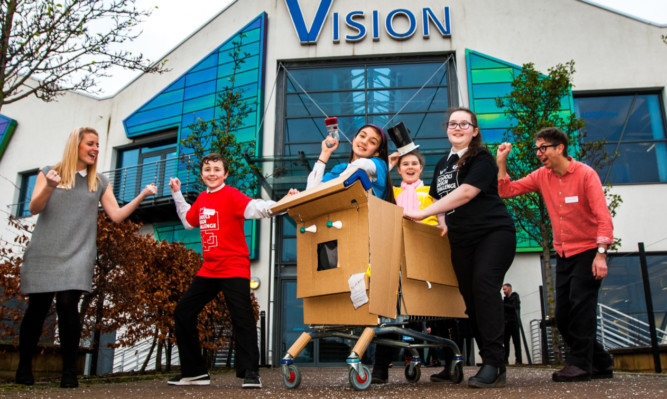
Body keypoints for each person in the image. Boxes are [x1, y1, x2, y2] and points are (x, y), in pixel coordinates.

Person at [16, 127, 157, 388]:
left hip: (78, 253)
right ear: (76, 146)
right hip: (44, 253)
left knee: (68, 306)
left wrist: (142, 195)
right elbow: (34, 207)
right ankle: (24, 369)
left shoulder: (99, 181)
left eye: (98, 145)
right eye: (90, 143)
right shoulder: (49, 172)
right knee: (37, 310)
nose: (95, 149)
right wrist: (49, 186)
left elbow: (115, 216)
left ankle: (69, 373)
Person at [404, 108, 516, 388]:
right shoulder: (443, 163)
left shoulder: (482, 158)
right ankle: (491, 361)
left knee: (483, 286)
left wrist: (422, 213)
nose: (457, 127)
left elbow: (465, 192)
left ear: (474, 130)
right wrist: (441, 221)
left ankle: (494, 363)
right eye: (452, 123)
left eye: (464, 124)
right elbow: (439, 195)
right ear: (447, 129)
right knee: (470, 298)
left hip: (493, 233)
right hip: (461, 239)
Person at [167, 153, 297, 389]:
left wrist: (283, 203)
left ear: (225, 174)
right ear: (202, 174)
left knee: (242, 317)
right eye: (208, 169)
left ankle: (250, 372)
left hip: (234, 266)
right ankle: (195, 372)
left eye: (217, 169)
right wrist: (177, 193)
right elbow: (188, 220)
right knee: (183, 312)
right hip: (209, 268)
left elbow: (257, 208)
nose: (212, 173)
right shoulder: (202, 200)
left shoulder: (231, 195)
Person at [496, 127, 614, 382]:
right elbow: (507, 190)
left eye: (543, 148)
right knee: (562, 316)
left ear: (560, 147)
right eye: (537, 149)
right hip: (563, 253)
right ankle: (602, 361)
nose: (539, 154)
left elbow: (603, 217)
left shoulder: (585, 174)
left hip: (589, 252)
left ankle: (580, 364)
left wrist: (601, 254)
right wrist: (502, 161)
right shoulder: (542, 176)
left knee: (582, 309)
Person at [307, 123, 395, 203]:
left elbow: (362, 165)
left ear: (377, 153)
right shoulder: (340, 169)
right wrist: (325, 153)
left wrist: (334, 185)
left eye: (372, 142)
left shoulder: (380, 165)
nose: (364, 142)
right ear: (354, 139)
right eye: (362, 136)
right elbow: (311, 192)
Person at [388, 150, 438, 226]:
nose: (410, 167)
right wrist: (388, 165)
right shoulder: (392, 192)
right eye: (405, 164)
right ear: (399, 170)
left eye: (414, 164)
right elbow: (371, 183)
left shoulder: (432, 190)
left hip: (428, 234)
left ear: (420, 168)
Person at [503, 283, 522, 364]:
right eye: (503, 289)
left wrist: (503, 305)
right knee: (506, 342)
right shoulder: (505, 300)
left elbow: (514, 307)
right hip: (506, 323)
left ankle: (518, 359)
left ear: (509, 289)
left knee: (516, 342)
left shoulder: (515, 297)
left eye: (505, 289)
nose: (504, 291)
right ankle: (505, 359)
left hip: (514, 322)